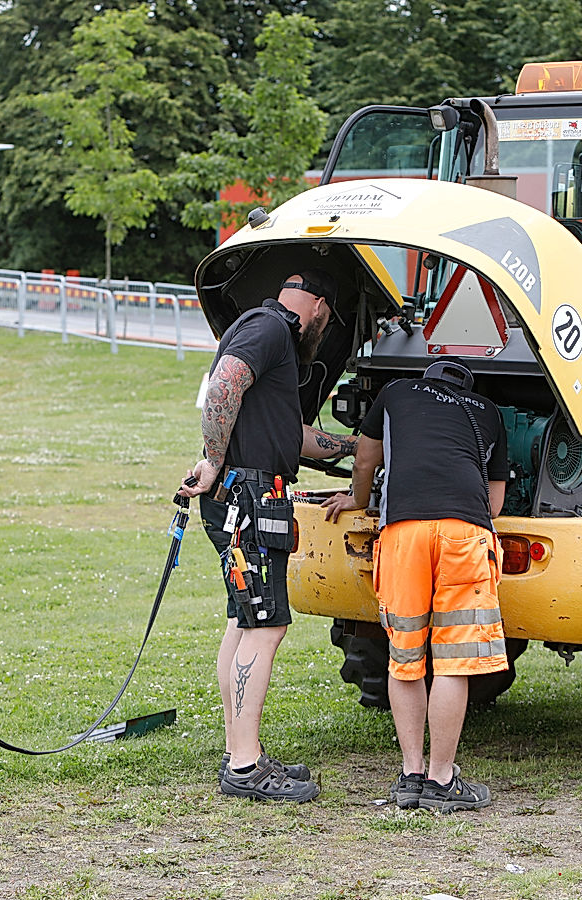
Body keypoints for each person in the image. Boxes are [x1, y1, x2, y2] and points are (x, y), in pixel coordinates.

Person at [178, 270, 357, 802]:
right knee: (266, 625)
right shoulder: (273, 328)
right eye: (328, 320)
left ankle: (242, 750)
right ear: (320, 306)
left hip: (242, 496)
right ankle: (244, 765)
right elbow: (225, 382)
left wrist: (355, 448)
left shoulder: (261, 330)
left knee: (245, 619)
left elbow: (293, 435)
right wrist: (212, 461)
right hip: (249, 498)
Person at [322, 358, 509, 812]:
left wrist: (359, 499)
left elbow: (366, 457)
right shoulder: (488, 411)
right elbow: (496, 502)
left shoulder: (396, 392)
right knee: (452, 662)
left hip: (403, 533)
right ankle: (442, 781)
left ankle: (410, 777)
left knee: (404, 656)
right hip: (464, 534)